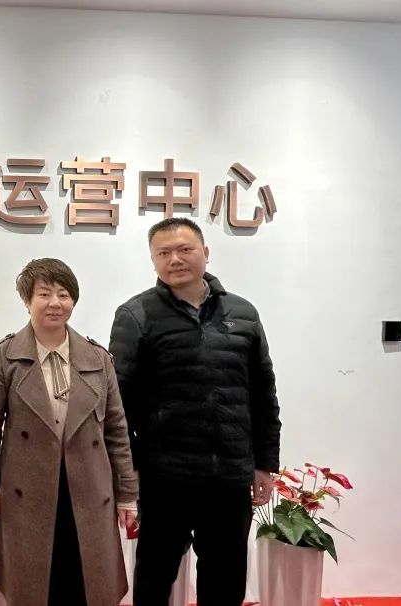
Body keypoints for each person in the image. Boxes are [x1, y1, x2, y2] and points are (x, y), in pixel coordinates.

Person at [109, 217, 282, 606]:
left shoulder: (243, 313)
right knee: (154, 576)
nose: (175, 259)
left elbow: (262, 394)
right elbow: (118, 403)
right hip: (165, 476)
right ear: (153, 260)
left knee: (225, 578)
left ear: (205, 252)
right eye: (163, 253)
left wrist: (264, 463)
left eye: (185, 249)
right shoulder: (135, 315)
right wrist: (129, 469)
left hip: (230, 475)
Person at [0, 257, 139, 606]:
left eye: (63, 294)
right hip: (27, 489)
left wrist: (127, 493)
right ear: (27, 301)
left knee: (83, 580)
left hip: (88, 488)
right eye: (44, 294)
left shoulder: (98, 358)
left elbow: (116, 430)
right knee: (36, 584)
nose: (55, 303)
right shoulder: (6, 356)